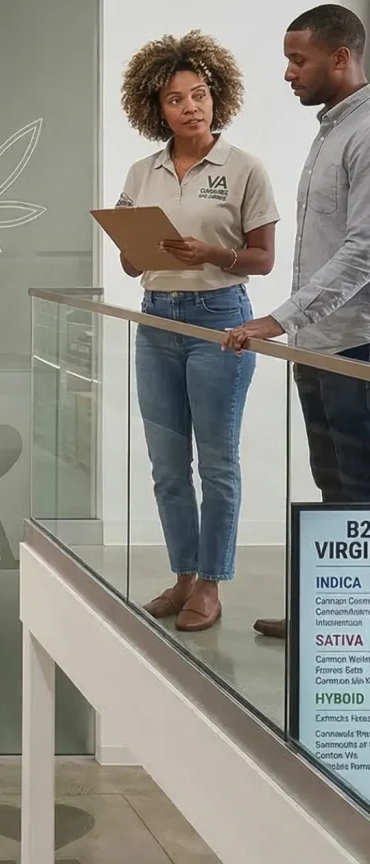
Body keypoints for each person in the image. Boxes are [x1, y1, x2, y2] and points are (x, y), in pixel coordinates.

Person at [117, 31, 280, 632]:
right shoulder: (143, 171)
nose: (191, 107)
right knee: (165, 465)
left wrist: (212, 250)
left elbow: (263, 259)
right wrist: (135, 249)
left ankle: (210, 585)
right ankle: (183, 575)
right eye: (176, 99)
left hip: (221, 321)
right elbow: (131, 263)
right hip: (154, 318)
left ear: (218, 97)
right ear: (155, 108)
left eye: (200, 94)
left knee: (217, 462)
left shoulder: (244, 169)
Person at [222, 6, 370, 640]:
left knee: (358, 493)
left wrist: (278, 320)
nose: (287, 72)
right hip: (320, 345)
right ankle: (332, 619)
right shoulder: (331, 129)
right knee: (333, 486)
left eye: (297, 59)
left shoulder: (366, 132)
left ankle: (350, 626)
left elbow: (363, 248)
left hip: (355, 345)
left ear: (341, 57)